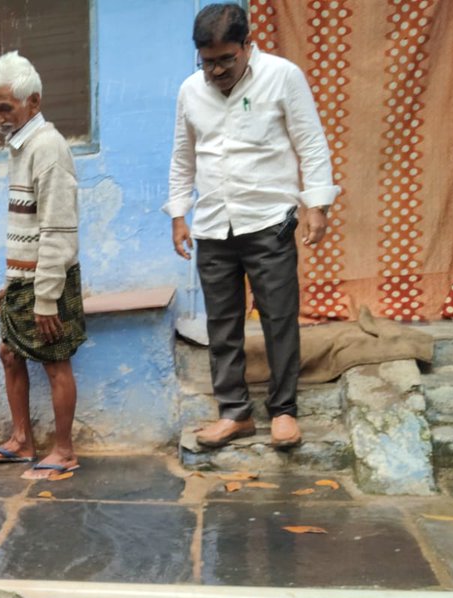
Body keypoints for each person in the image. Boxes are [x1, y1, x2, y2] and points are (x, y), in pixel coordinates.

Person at [165, 3, 339, 450]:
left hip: (268, 223)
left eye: (227, 59)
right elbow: (183, 156)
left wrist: (317, 204)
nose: (217, 70)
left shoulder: (283, 76)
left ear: (248, 44)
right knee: (222, 325)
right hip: (213, 227)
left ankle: (283, 411)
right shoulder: (190, 90)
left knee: (279, 319)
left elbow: (311, 143)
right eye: (208, 62)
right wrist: (179, 215)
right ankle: (234, 414)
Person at [0, 51, 86, 480]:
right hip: (25, 277)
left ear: (33, 103)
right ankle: (22, 441)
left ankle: (65, 451)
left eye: (6, 107)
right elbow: (26, 220)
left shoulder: (48, 149)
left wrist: (45, 297)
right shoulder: (21, 146)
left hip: (47, 279)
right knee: (8, 353)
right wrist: (13, 281)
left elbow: (58, 228)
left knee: (55, 361)